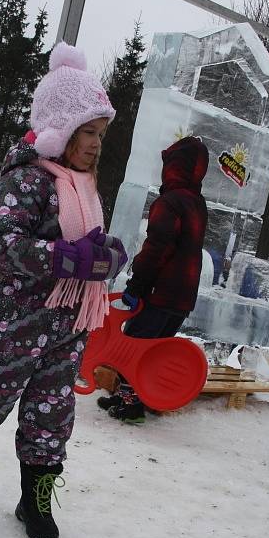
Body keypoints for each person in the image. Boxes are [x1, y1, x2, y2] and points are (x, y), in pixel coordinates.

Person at [0, 42, 127, 538]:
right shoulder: (25, 180)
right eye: (87, 131)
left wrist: (108, 256)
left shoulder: (82, 187)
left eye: (100, 134)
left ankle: (34, 497)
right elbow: (4, 243)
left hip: (68, 324)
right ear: (60, 129)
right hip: (17, 320)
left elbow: (91, 245)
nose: (96, 143)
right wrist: (65, 258)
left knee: (52, 412)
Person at [98, 136, 209, 423]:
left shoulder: (170, 202)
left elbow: (157, 248)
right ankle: (140, 397)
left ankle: (130, 404)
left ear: (175, 167)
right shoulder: (197, 203)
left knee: (134, 345)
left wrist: (137, 285)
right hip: (183, 296)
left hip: (160, 292)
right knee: (157, 350)